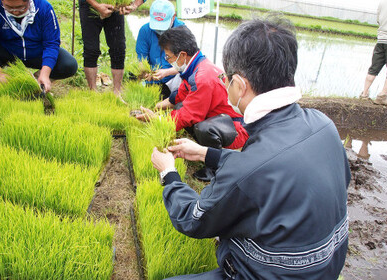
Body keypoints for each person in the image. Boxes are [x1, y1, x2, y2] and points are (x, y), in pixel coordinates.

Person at [151, 19, 350, 279]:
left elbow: (193, 219)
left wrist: (169, 174)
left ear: (240, 86)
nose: (225, 85)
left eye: (228, 80)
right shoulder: (324, 125)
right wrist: (206, 153)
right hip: (326, 268)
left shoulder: (249, 167)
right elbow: (271, 168)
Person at [136, 25, 249, 181]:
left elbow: (189, 115)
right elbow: (179, 95)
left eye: (168, 57)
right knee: (181, 106)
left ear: (182, 55)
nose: (168, 61)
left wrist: (157, 120)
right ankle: (204, 145)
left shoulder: (203, 76)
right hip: (219, 117)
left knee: (203, 127)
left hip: (235, 129)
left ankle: (214, 169)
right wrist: (155, 108)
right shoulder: (196, 66)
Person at [0, 0, 78, 93]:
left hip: (36, 53)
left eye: (21, 7)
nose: (15, 11)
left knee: (69, 65)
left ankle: (36, 79)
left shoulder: (44, 8)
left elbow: (51, 43)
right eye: (9, 7)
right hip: (8, 53)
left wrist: (45, 74)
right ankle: (8, 76)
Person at [79, 0, 145, 96]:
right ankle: (92, 91)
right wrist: (97, 5)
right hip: (90, 5)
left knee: (118, 48)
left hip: (115, 6)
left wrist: (134, 4)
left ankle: (117, 92)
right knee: (91, 49)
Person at [136, 0, 184, 99]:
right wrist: (145, 72)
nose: (160, 31)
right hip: (153, 78)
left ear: (173, 17)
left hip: (175, 77)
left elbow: (187, 63)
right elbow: (141, 59)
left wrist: (167, 72)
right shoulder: (145, 31)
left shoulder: (182, 31)